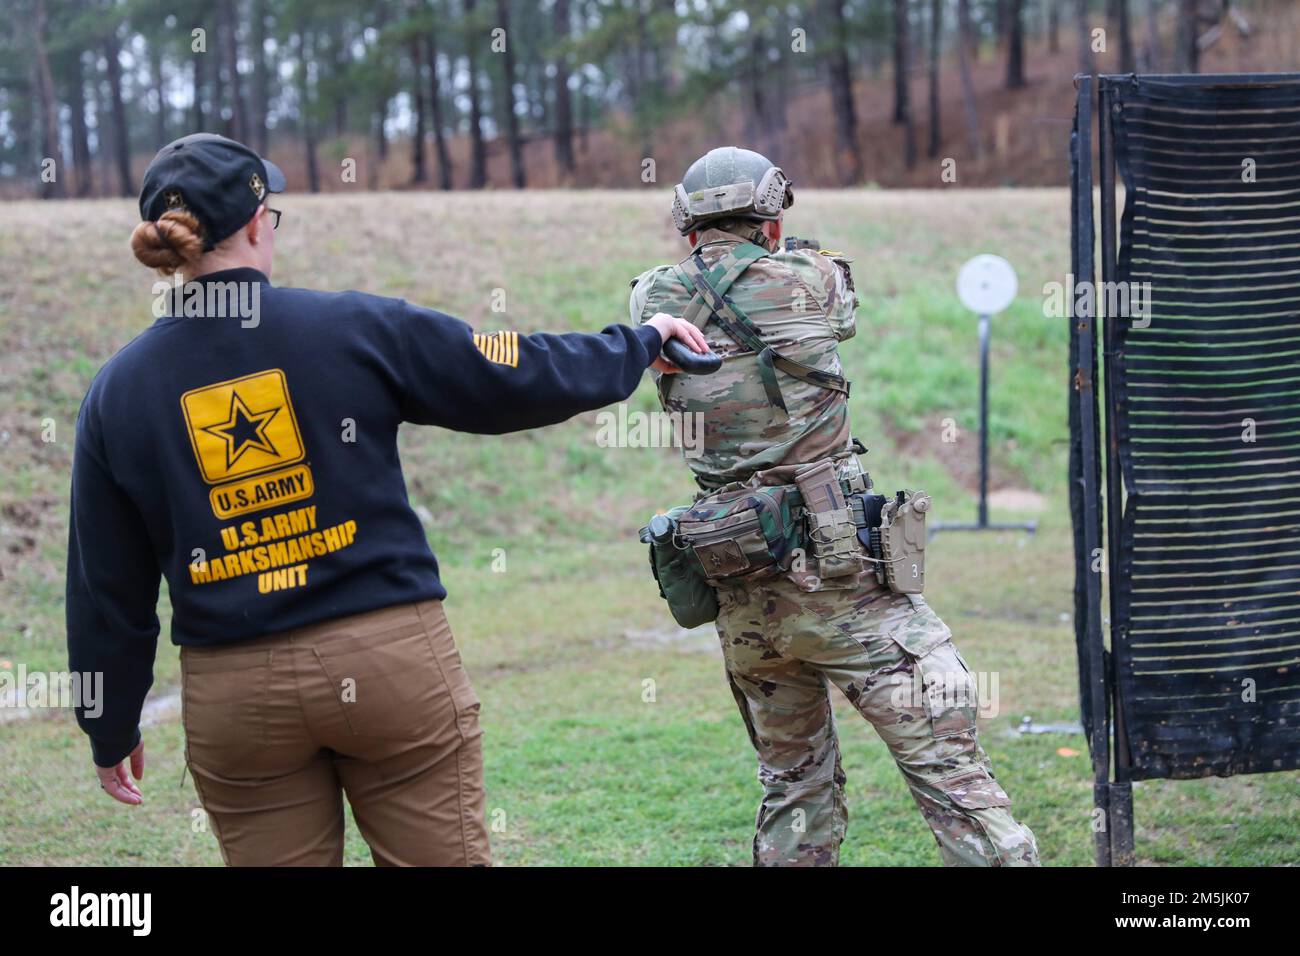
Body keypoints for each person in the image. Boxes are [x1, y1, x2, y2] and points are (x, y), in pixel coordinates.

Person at [66, 132, 707, 866]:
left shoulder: (116, 391)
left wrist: (108, 722)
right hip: (389, 667)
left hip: (237, 696)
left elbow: (104, 588)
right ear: (253, 224)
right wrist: (636, 342)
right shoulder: (351, 326)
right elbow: (508, 372)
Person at [628, 146, 1040, 866]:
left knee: (794, 789)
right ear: (772, 221)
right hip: (845, 579)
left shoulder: (649, 299)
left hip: (743, 587)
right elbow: (840, 309)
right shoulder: (813, 276)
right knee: (953, 779)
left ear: (687, 226)